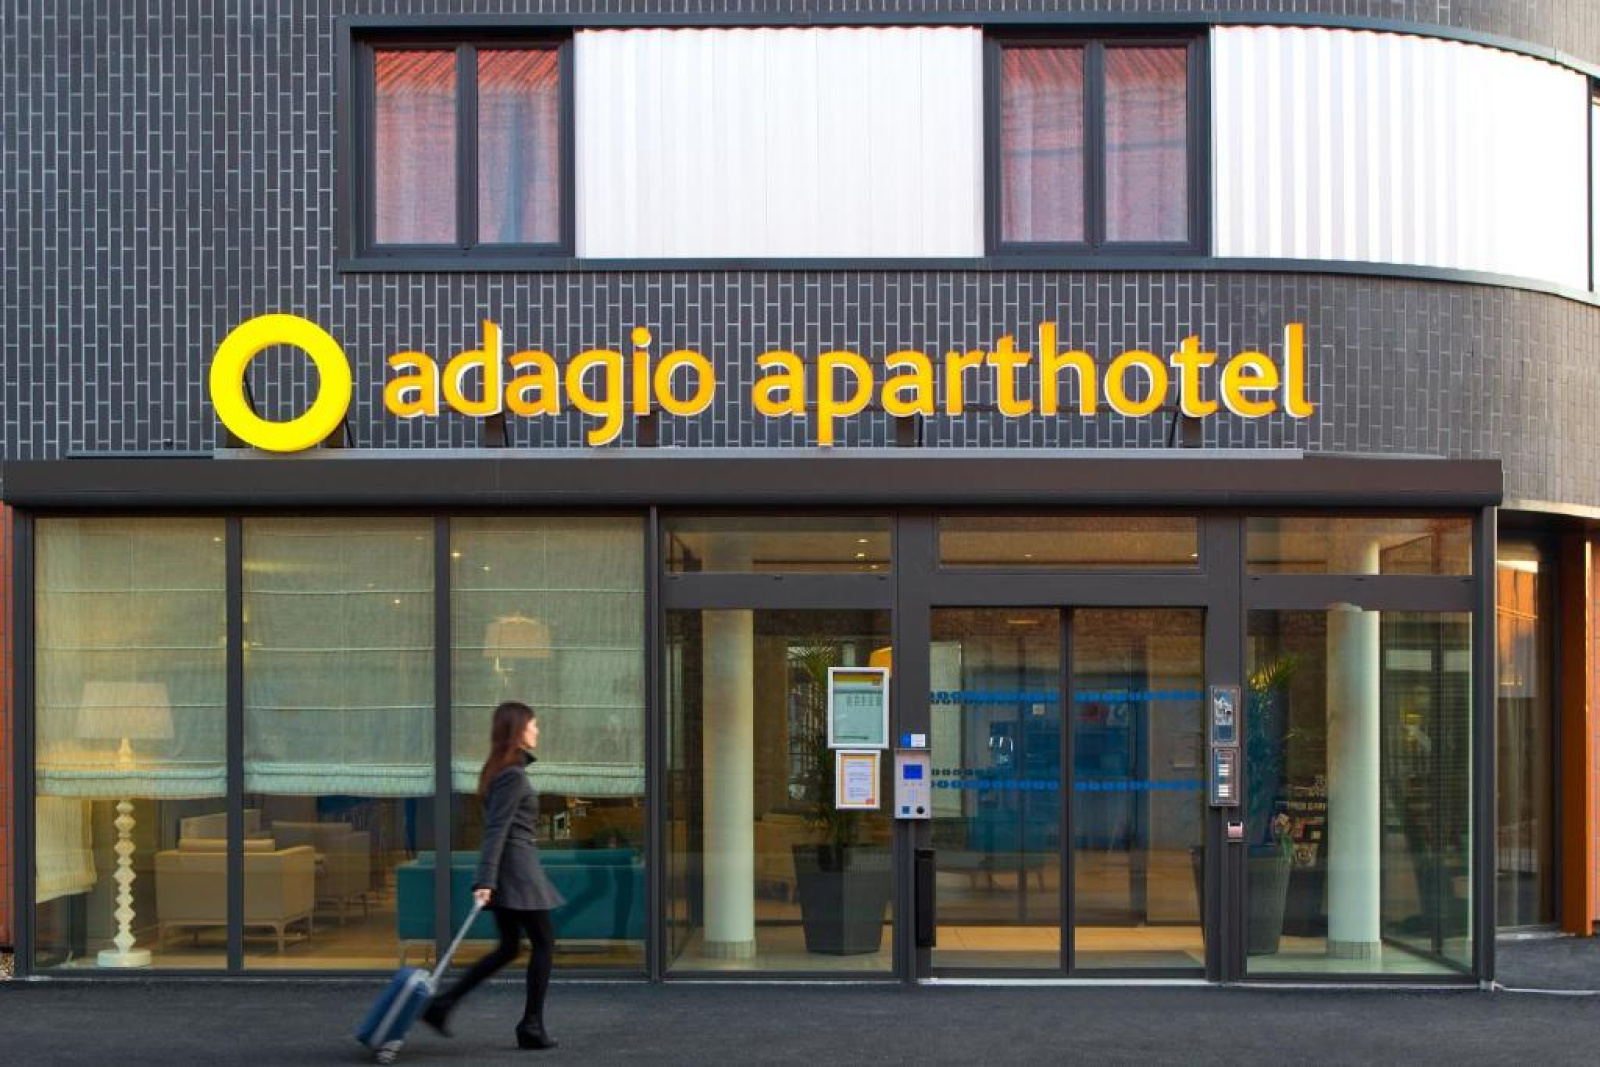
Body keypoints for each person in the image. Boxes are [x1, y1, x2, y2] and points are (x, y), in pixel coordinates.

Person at [423, 701, 564, 1050]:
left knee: (509, 947)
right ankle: (531, 1025)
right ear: (518, 730)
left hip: (511, 870)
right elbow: (496, 829)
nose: (537, 730)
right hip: (517, 872)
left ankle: (443, 1005)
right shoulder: (512, 776)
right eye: (533, 724)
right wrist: (485, 880)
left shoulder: (502, 771)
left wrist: (489, 878)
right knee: (544, 943)